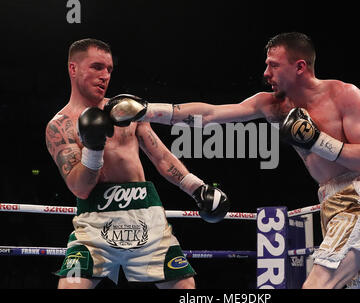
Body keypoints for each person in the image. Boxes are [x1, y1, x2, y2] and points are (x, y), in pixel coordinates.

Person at [109, 32, 360, 289]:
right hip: (333, 203)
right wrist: (148, 110)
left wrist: (315, 140)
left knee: (317, 285)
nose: (266, 73)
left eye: (273, 65)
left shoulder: (344, 95)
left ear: (299, 67)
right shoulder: (272, 104)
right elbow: (212, 115)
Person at [45, 38, 230, 289]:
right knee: (70, 286)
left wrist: (196, 188)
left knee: (186, 288)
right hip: (94, 220)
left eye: (109, 69)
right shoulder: (60, 125)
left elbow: (161, 156)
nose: (105, 76)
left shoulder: (124, 111)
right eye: (97, 67)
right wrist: (94, 147)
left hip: (146, 213)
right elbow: (80, 188)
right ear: (73, 68)